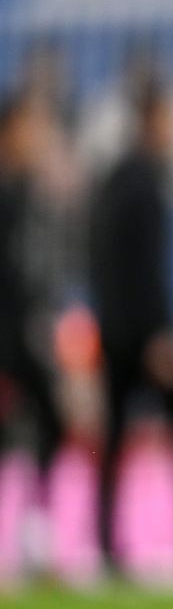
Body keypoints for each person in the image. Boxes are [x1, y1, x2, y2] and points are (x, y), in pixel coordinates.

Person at [88, 78, 173, 577]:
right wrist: (161, 335)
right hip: (146, 335)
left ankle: (105, 546)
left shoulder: (114, 181)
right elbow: (149, 271)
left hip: (115, 332)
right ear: (152, 121)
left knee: (115, 437)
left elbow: (104, 266)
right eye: (169, 118)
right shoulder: (147, 186)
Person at [0, 92, 66, 518]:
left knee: (49, 424)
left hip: (21, 333)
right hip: (5, 336)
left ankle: (37, 530)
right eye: (30, 127)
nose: (37, 137)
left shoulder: (27, 193)